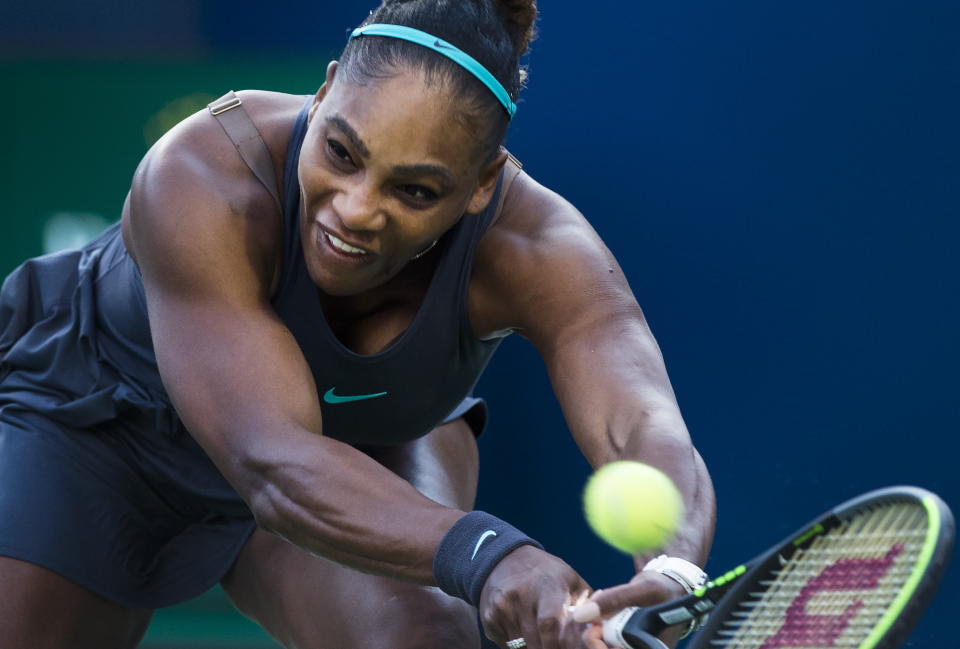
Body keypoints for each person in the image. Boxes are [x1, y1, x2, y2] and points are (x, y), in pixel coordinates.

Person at [0, 0, 716, 647]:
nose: (355, 210)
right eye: (341, 153)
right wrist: (491, 553)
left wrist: (674, 560)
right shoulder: (203, 170)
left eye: (415, 190)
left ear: (482, 185)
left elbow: (640, 419)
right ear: (324, 89)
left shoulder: (541, 248)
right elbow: (273, 460)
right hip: (100, 422)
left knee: (428, 636)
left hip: (357, 439)